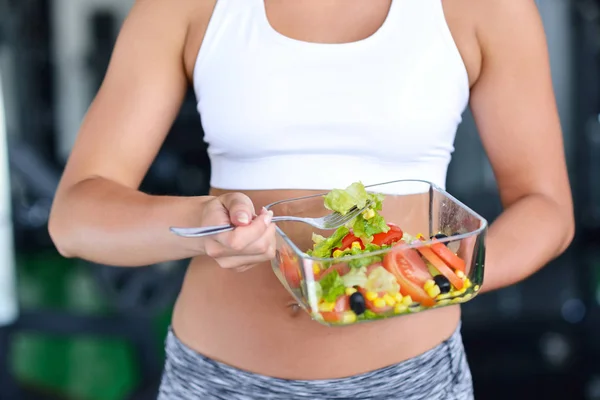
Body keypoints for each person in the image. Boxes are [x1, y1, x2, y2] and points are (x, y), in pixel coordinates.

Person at [48, 0, 575, 398]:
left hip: (411, 381)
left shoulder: (485, 8)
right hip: (217, 380)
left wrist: (439, 276)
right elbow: (75, 218)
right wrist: (202, 222)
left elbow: (546, 206)